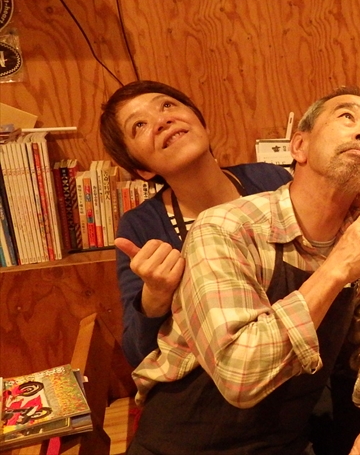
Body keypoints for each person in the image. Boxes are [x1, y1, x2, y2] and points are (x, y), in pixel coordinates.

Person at [128, 86, 360, 454]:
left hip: (284, 440)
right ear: (299, 147)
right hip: (183, 442)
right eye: (347, 117)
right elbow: (239, 376)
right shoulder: (224, 228)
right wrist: (336, 269)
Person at [99, 80, 293, 368]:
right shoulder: (141, 226)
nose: (161, 121)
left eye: (167, 105)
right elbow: (137, 354)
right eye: (139, 125)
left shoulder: (271, 180)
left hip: (297, 359)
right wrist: (154, 296)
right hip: (213, 377)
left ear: (203, 124)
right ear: (142, 169)